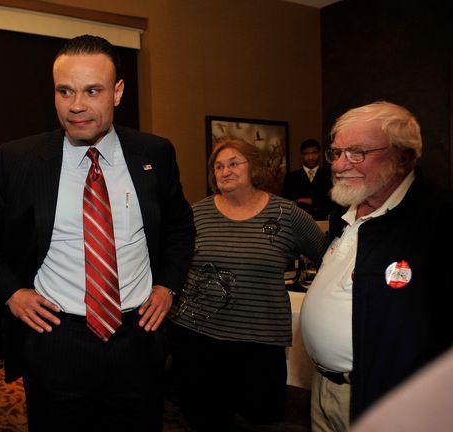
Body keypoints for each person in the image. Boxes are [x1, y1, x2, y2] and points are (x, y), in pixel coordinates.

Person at [0, 34, 194, 431]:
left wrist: (168, 286)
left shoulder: (154, 154)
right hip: (55, 341)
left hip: (137, 338)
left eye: (92, 91)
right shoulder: (19, 160)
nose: (76, 106)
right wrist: (12, 293)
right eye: (64, 91)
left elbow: (179, 226)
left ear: (118, 92)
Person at [300, 101, 453, 430]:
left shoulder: (436, 223)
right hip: (326, 391)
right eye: (336, 152)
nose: (340, 165)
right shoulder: (344, 215)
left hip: (388, 402)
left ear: (402, 158)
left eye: (357, 152)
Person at [167, 137, 325, 430]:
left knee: (261, 420)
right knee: (202, 419)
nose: (225, 171)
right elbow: (172, 262)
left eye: (233, 163)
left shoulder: (286, 215)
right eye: (218, 166)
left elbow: (328, 255)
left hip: (259, 344)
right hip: (196, 340)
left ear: (253, 168)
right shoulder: (196, 214)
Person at [282, 138, 334, 220]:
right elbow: (287, 203)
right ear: (302, 155)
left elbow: (333, 202)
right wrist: (321, 199)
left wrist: (309, 200)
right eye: (306, 154)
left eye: (314, 153)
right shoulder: (291, 177)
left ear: (319, 154)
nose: (310, 157)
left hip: (324, 221)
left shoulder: (329, 175)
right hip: (299, 221)